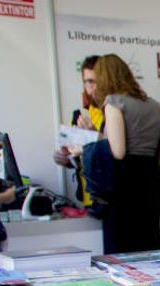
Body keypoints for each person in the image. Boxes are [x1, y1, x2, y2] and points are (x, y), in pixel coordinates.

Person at [94, 54, 160, 254]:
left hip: (125, 181)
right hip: (151, 177)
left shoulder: (113, 103)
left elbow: (118, 151)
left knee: (122, 248)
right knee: (149, 241)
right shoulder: (152, 104)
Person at [53, 55, 101, 208]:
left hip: (111, 199)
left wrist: (95, 137)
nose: (95, 87)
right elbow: (80, 159)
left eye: (98, 80)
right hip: (89, 198)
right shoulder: (82, 114)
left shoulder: (117, 111)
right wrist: (67, 159)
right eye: (89, 81)